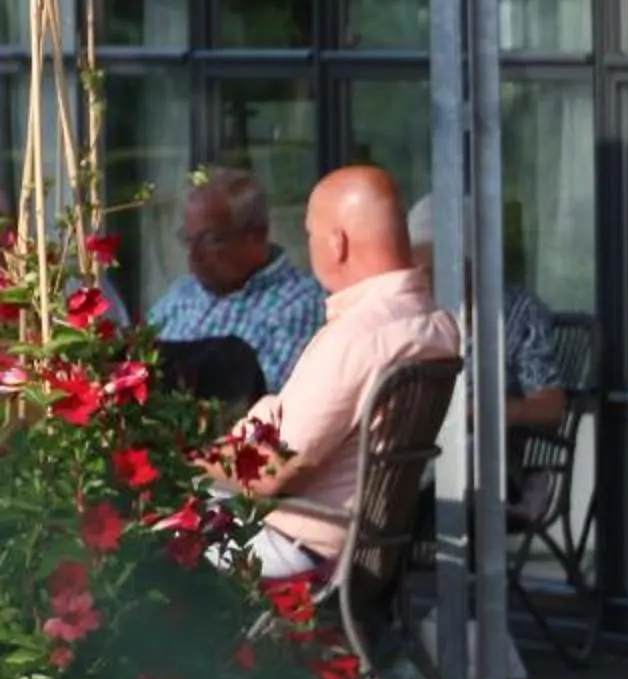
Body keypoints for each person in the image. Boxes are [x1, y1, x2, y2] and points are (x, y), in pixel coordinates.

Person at [224, 168, 460, 583]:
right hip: (365, 553)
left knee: (138, 546)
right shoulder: (434, 325)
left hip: (298, 548)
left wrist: (182, 459)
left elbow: (268, 469)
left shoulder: (360, 336)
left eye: (311, 234)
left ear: (337, 242)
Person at [148, 167, 326, 392]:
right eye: (188, 239)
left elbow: (262, 396)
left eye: (210, 240)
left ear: (256, 234)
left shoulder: (298, 304)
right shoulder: (182, 293)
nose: (194, 255)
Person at [406, 194, 567, 434]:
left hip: (475, 453)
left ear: (469, 261)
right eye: (414, 271)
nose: (424, 283)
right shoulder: (407, 308)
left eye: (431, 270)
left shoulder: (517, 313)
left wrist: (479, 411)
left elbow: (550, 408)